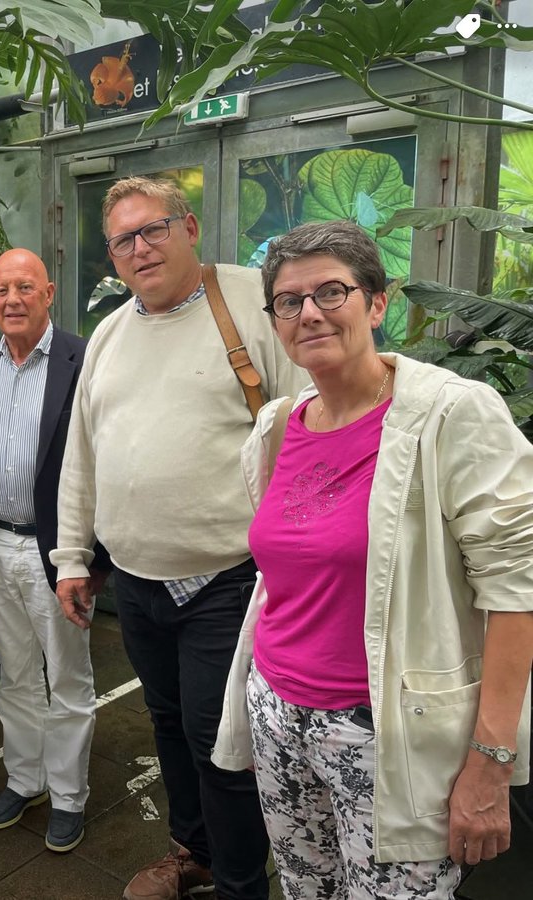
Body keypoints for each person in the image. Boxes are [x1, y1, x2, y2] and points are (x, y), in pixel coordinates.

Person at [214, 220, 533, 898]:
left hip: (388, 733)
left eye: (331, 291)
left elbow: (517, 592)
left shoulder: (450, 416)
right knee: (306, 887)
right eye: (289, 301)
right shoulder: (279, 426)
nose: (310, 313)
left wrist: (491, 762)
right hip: (279, 713)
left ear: (377, 302)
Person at [51, 176, 309, 900]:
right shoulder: (110, 334)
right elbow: (82, 455)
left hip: (229, 578)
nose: (140, 249)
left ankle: (240, 884)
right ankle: (192, 853)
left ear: (189, 227)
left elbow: (307, 426)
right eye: (123, 240)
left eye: (153, 229)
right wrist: (72, 557)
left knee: (221, 745)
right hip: (136, 580)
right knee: (165, 724)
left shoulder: (252, 306)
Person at [0, 248, 106, 852]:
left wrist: (90, 558)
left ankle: (68, 795)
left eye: (23, 287)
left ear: (48, 293)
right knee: (15, 673)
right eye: (1, 290)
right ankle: (26, 779)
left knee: (67, 676)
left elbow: (103, 460)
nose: (11, 300)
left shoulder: (81, 359)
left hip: (57, 548)